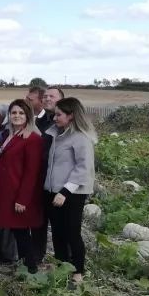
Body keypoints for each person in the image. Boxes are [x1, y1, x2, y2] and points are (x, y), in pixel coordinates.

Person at [45, 97, 97, 284]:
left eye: (59, 115)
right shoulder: (56, 135)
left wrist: (65, 192)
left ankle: (78, 270)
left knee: (72, 232)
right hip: (54, 190)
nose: (55, 118)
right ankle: (61, 264)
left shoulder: (80, 138)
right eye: (55, 114)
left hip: (72, 193)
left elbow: (83, 167)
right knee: (57, 231)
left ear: (71, 116)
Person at [0, 99, 43, 273]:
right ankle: (23, 266)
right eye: (14, 113)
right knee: (15, 229)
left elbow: (32, 172)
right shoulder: (9, 135)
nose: (17, 116)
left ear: (28, 115)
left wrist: (23, 199)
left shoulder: (32, 139)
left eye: (21, 113)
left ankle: (31, 269)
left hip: (19, 194)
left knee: (21, 232)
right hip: (7, 192)